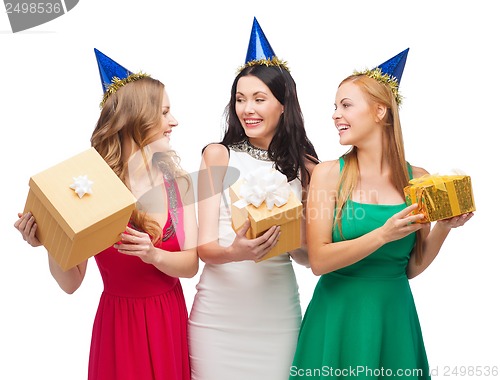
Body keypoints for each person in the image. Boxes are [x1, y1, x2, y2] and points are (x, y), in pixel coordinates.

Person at [289, 48, 474, 379]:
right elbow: (318, 261)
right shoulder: (329, 174)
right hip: (338, 316)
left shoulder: (418, 179)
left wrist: (444, 227)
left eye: (346, 105)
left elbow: (412, 266)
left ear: (380, 112)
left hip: (394, 316)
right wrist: (383, 234)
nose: (335, 115)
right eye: (335, 106)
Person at [14, 48, 198, 380]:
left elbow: (190, 265)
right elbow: (71, 284)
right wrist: (52, 241)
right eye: (165, 113)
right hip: (120, 324)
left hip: (167, 317)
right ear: (137, 120)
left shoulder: (177, 183)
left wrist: (153, 254)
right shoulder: (93, 188)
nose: (174, 121)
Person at [188, 17, 319, 380]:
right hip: (218, 317)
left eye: (260, 99)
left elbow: (308, 257)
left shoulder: (307, 167)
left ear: (283, 104)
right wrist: (238, 252)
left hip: (277, 315)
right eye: (240, 99)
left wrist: (292, 242)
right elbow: (205, 248)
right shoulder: (218, 155)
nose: (247, 109)